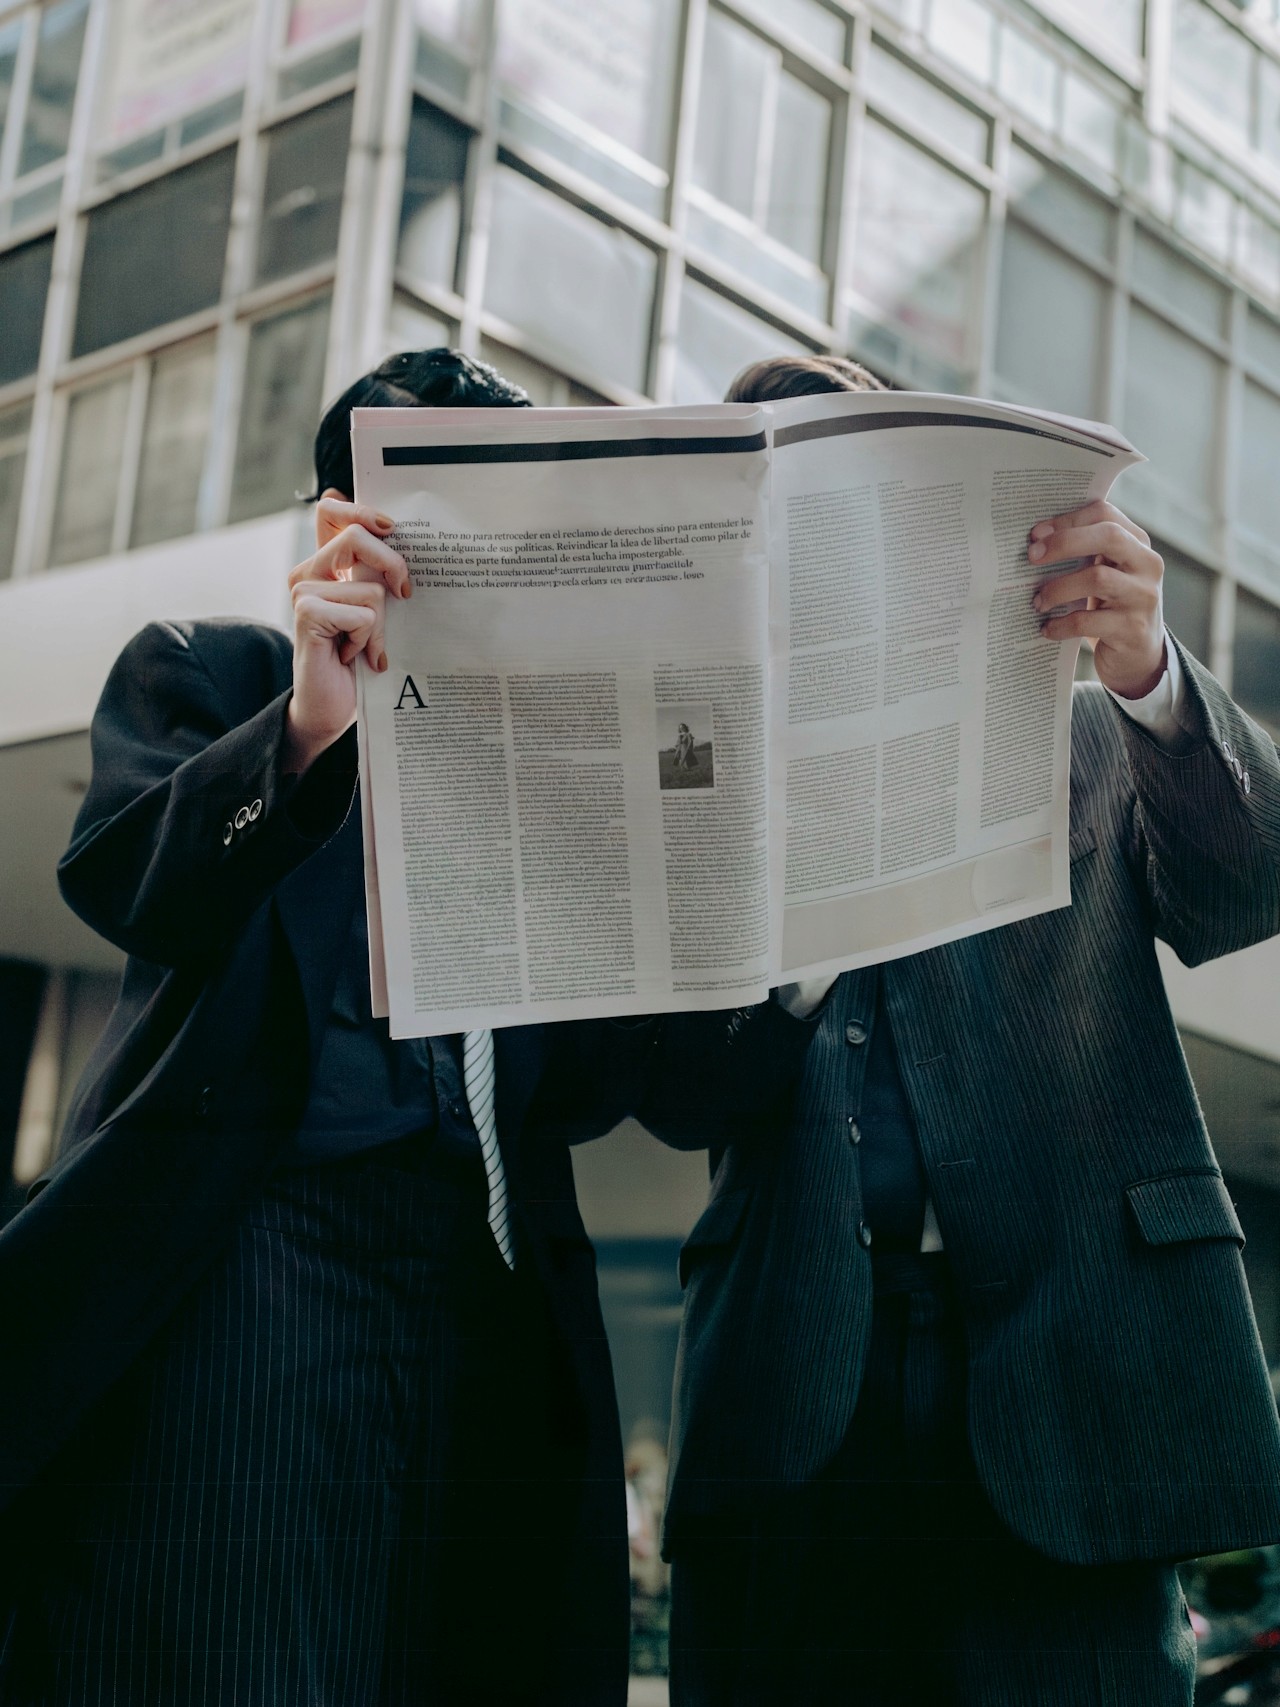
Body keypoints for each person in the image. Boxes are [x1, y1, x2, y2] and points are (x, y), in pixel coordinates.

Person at [0, 349, 645, 1707]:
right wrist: (307, 728)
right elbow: (127, 880)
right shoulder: (209, 672)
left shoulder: (554, 745)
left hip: (484, 1279)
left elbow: (601, 1077)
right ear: (340, 521)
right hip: (257, 1254)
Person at [639, 352, 1280, 1705]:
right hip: (794, 1387)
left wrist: (1149, 673)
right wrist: (795, 952)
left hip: (1071, 1374)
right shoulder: (692, 782)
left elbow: (1248, 884)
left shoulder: (1084, 734)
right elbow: (676, 1095)